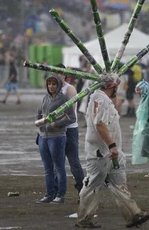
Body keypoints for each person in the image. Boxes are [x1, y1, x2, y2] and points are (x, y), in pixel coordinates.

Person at [76, 73, 149, 228]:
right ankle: (84, 219)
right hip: (100, 152)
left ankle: (134, 214)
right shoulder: (100, 99)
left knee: (119, 183)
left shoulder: (103, 99)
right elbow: (100, 125)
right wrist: (112, 145)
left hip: (112, 152)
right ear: (112, 86)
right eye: (117, 86)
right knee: (92, 185)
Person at [35, 74, 76, 204]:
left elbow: (72, 118)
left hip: (57, 137)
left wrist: (55, 124)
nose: (51, 86)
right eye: (49, 84)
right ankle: (49, 194)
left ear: (58, 85)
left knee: (59, 167)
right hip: (43, 137)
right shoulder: (45, 98)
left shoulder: (64, 99)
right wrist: (40, 126)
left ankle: (60, 195)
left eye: (54, 84)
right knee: (47, 168)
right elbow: (39, 113)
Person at [55, 64, 84, 200]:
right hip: (56, 129)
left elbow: (70, 112)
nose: (57, 76)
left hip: (70, 129)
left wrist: (54, 121)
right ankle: (57, 192)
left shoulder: (70, 89)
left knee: (73, 162)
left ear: (64, 74)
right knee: (56, 162)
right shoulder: (52, 88)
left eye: (59, 73)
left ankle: (82, 191)